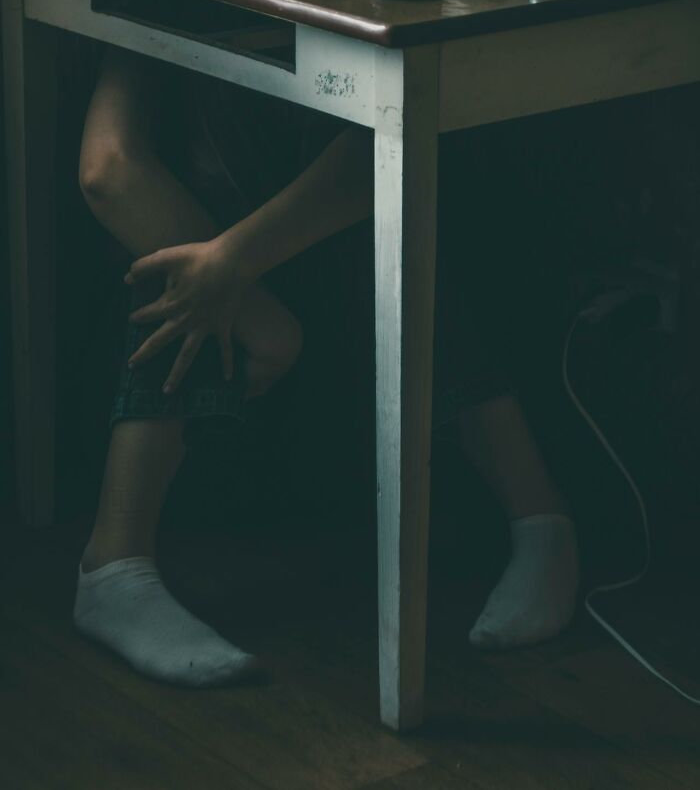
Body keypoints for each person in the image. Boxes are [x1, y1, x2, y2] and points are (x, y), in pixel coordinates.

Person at [73, 46, 578, 687]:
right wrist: (260, 317)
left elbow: (386, 143)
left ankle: (542, 521)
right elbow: (108, 172)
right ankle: (114, 562)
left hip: (326, 405)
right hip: (204, 417)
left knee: (386, 206)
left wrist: (237, 260)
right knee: (184, 269)